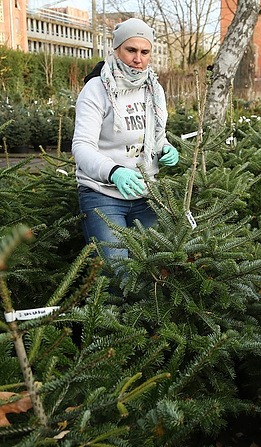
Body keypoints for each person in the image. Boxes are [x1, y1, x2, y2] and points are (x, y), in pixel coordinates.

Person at [72, 17, 179, 278]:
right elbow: (81, 147)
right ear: (117, 49)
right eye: (131, 50)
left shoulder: (154, 90)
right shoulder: (96, 89)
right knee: (117, 274)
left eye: (145, 52)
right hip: (103, 194)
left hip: (146, 193)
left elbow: (156, 136)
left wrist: (165, 149)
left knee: (152, 272)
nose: (138, 59)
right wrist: (114, 172)